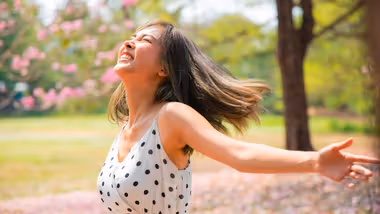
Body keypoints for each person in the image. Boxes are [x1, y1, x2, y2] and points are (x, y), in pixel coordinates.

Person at [96, 19, 380, 214]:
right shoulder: (124, 129)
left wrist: (315, 161)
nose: (129, 43)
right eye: (131, 37)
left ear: (165, 69)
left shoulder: (172, 117)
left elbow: (238, 154)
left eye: (143, 40)